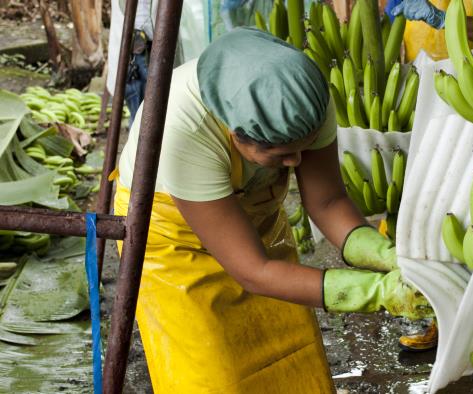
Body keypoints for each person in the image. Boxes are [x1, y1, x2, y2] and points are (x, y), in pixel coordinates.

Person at [113, 27, 433, 393]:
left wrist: (386, 256)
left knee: (294, 364)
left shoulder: (304, 101)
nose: (295, 162)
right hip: (172, 240)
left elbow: (327, 202)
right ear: (234, 134)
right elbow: (253, 271)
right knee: (216, 376)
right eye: (280, 156)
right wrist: (376, 292)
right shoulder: (182, 131)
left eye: (304, 147)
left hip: (255, 223)